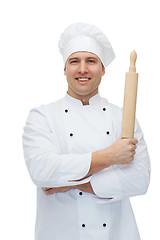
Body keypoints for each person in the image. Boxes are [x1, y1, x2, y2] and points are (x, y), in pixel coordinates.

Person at [22, 22, 151, 240]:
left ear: (102, 69)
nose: (82, 69)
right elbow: (42, 171)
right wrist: (110, 157)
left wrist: (76, 183)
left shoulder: (122, 118)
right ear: (64, 69)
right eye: (74, 61)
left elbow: (140, 180)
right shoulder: (42, 117)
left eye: (91, 61)